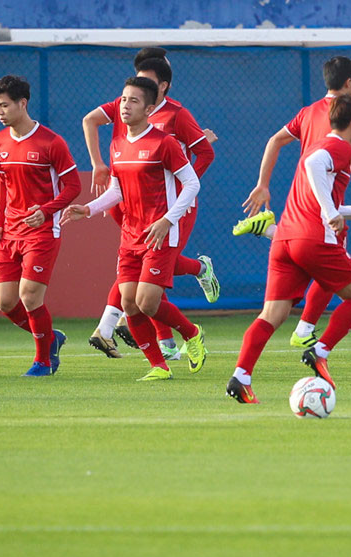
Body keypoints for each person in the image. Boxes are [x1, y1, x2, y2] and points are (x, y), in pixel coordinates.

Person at [227, 95, 351, 404]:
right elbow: (313, 168)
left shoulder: (318, 145)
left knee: (272, 314)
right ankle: (319, 352)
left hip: (285, 238)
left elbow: (316, 194)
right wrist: (332, 214)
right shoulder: (339, 147)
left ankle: (241, 376)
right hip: (314, 240)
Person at [235, 56, 351, 350]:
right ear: (349, 83)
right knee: (350, 286)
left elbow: (274, 141)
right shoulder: (346, 118)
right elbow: (346, 156)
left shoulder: (307, 112)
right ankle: (311, 338)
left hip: (301, 207)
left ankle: (252, 366)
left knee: (280, 305)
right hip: (323, 214)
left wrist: (263, 184)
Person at [62, 76, 207, 381]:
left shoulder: (163, 143)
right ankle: (159, 366)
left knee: (147, 302)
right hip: (130, 235)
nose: (125, 106)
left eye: (134, 101)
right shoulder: (116, 144)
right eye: (123, 99)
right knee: (129, 303)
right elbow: (116, 190)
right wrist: (88, 209)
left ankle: (192, 334)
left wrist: (168, 219)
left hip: (161, 234)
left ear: (150, 108)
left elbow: (192, 183)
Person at [83, 51, 219, 360]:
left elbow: (203, 155)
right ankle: (163, 343)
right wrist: (98, 165)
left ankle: (118, 331)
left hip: (171, 207)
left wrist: (178, 190)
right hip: (129, 201)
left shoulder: (176, 116)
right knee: (144, 274)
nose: (128, 102)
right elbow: (89, 120)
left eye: (148, 83)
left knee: (155, 273)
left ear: (162, 89)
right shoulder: (125, 107)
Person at [0, 75, 79, 376]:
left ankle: (43, 361)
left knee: (29, 296)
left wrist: (47, 211)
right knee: (5, 302)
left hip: (42, 232)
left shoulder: (52, 142)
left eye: (5, 105)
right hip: (10, 230)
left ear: (22, 103)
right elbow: (3, 184)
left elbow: (73, 186)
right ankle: (52, 338)